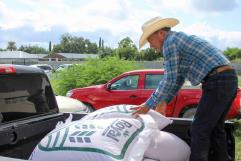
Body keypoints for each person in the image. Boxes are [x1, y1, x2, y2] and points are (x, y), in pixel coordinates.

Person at [131, 17, 238, 161]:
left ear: (161, 34)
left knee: (199, 130)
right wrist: (164, 101)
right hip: (228, 78)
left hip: (217, 80)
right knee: (215, 130)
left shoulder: (170, 43)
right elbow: (178, 79)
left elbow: (169, 78)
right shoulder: (178, 40)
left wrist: (147, 105)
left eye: (150, 41)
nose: (151, 46)